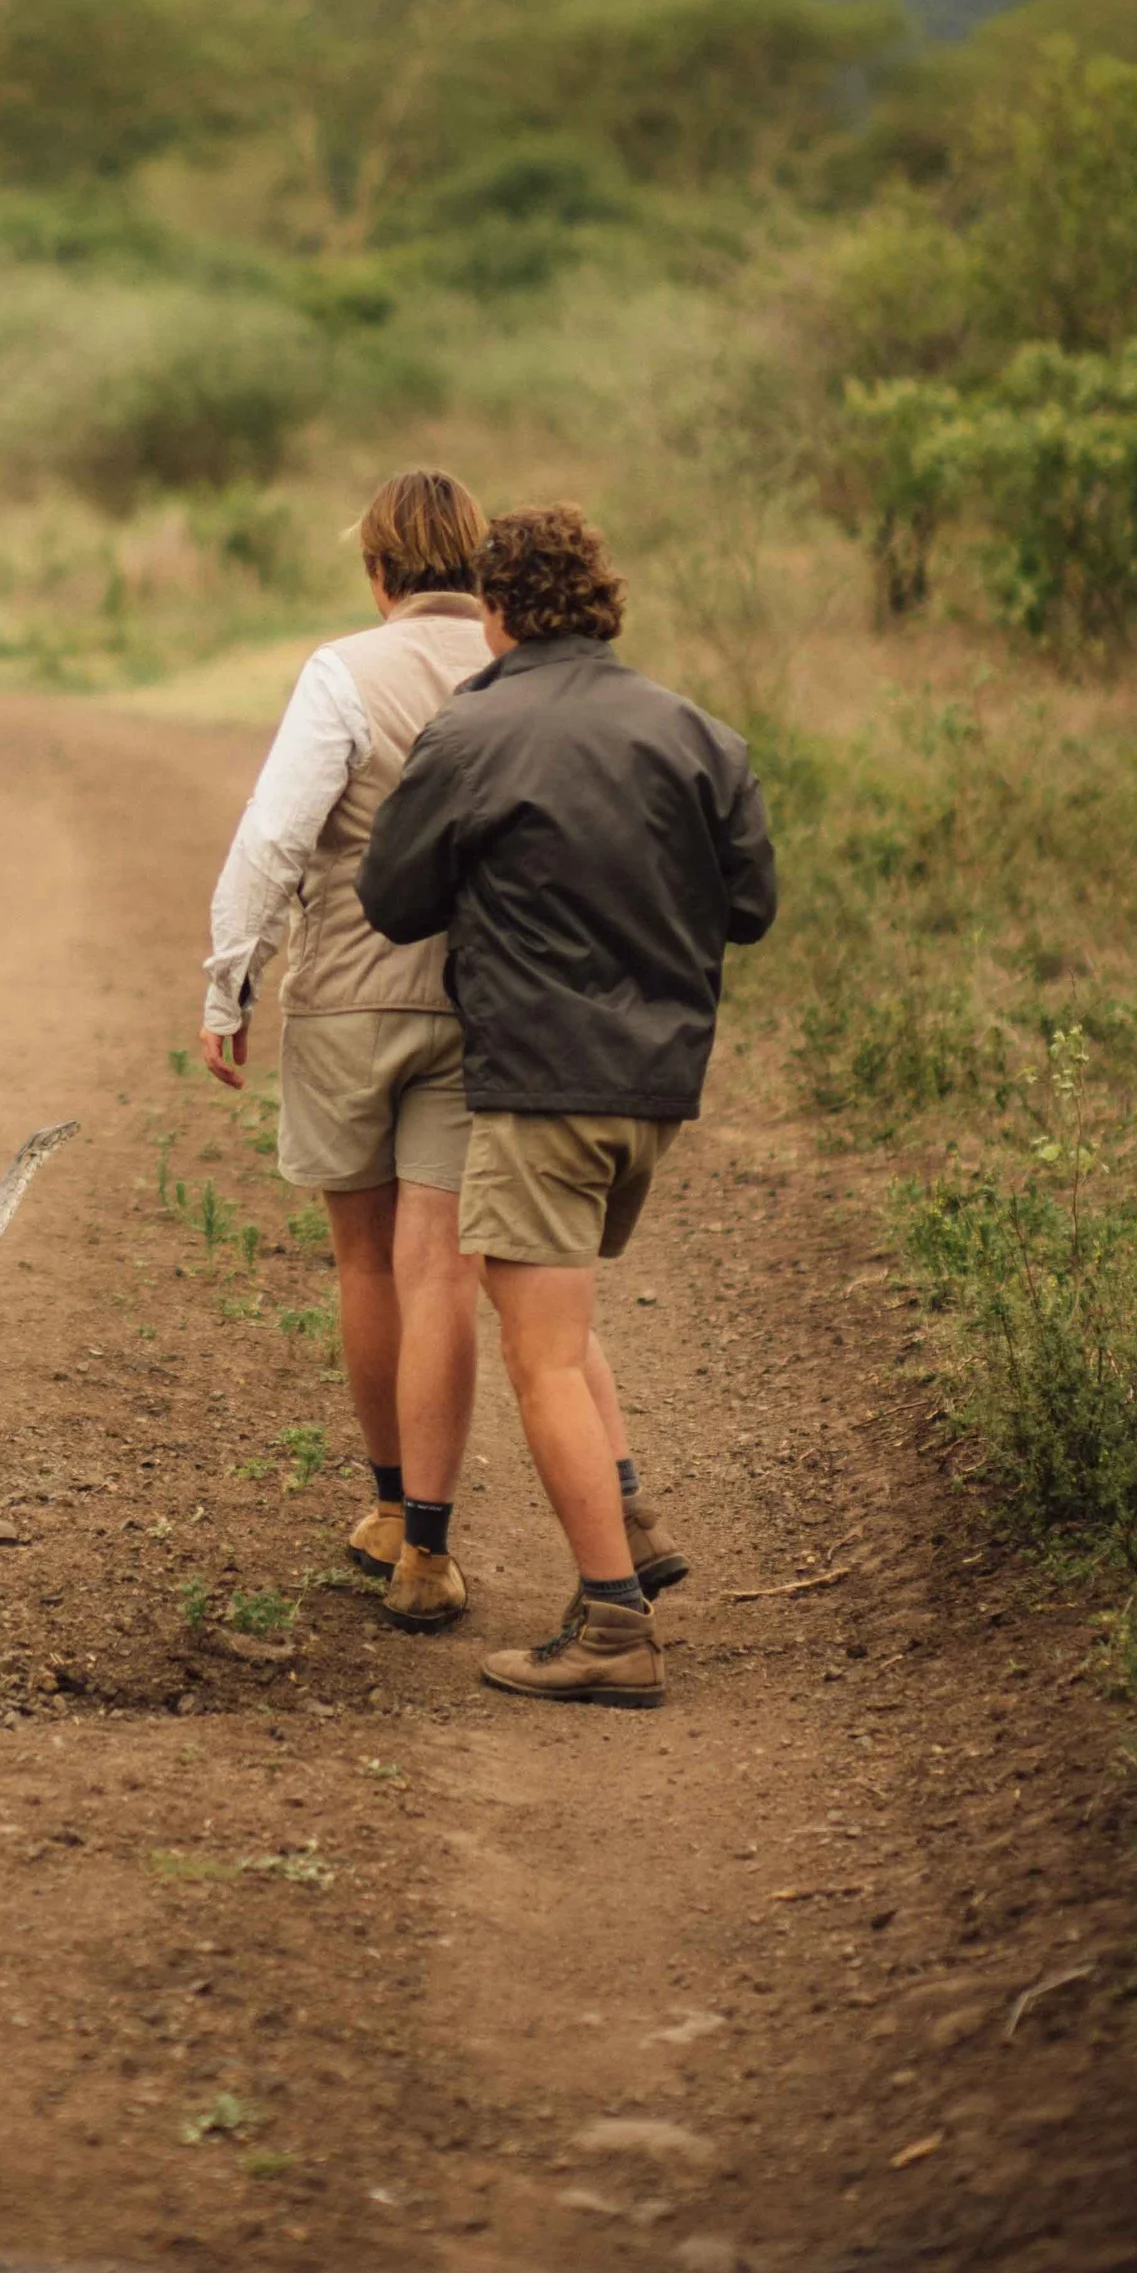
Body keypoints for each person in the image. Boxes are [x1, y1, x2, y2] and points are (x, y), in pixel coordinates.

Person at [359, 503, 777, 1708]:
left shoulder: (474, 725)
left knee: (537, 1355)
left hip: (540, 1081)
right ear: (602, 603)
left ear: (494, 610)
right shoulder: (698, 733)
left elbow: (394, 899)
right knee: (555, 1315)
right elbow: (746, 909)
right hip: (653, 1088)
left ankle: (612, 1628)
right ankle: (628, 1520)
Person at [197, 468, 494, 1633]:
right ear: (476, 567)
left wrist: (231, 983)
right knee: (444, 1273)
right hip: (482, 1010)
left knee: (366, 1268)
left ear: (377, 572)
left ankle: (383, 1508)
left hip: (347, 1008)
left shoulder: (342, 670)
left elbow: (274, 838)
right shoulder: (520, 670)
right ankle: (431, 1547)